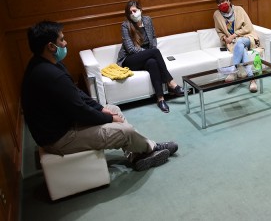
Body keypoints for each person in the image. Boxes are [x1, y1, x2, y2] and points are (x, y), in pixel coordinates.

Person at [21, 21, 178, 171]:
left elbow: (77, 95)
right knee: (125, 131)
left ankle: (136, 154)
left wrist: (102, 110)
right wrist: (109, 119)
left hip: (66, 121)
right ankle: (152, 148)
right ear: (51, 46)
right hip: (60, 138)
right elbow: (80, 111)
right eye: (61, 40)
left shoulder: (47, 64)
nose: (65, 43)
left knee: (112, 108)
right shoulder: (50, 75)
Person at [117, 0, 184, 113]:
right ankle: (171, 83)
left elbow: (153, 37)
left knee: (152, 62)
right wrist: (149, 52)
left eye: (135, 10)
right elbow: (130, 49)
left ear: (140, 10)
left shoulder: (147, 20)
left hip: (146, 57)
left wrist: (149, 52)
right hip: (130, 59)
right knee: (155, 52)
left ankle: (160, 99)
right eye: (130, 12)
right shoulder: (125, 25)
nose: (133, 14)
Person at [213, 0, 260, 93]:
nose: (221, 4)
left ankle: (233, 70)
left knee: (240, 41)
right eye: (219, 3)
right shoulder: (216, 15)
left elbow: (248, 27)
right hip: (233, 43)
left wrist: (233, 35)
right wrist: (225, 38)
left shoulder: (239, 10)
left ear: (229, 1)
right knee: (241, 48)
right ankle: (252, 80)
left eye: (223, 2)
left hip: (247, 37)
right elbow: (219, 31)